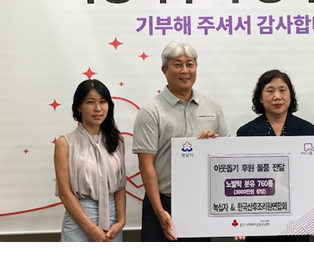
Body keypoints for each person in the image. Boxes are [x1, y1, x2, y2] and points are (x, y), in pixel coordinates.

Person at [132, 42, 228, 242]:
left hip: (200, 204)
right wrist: (159, 211)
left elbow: (225, 156)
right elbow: (146, 165)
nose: (185, 70)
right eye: (177, 64)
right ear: (164, 70)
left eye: (190, 64)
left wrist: (214, 143)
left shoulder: (212, 106)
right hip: (163, 202)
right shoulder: (151, 111)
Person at [236, 69, 314, 242]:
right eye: (270, 91)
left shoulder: (308, 131)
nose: (277, 96)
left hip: (298, 218)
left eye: (282, 90)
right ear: (260, 97)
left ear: (290, 96)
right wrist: (240, 220)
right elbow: (241, 180)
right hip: (258, 219)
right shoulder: (246, 133)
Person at [54, 79, 127, 242]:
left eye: (103, 102)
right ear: (78, 107)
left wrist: (121, 221)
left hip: (112, 222)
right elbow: (65, 193)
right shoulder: (65, 143)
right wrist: (91, 228)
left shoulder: (117, 141)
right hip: (79, 221)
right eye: (90, 102)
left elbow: (120, 187)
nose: (98, 108)